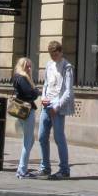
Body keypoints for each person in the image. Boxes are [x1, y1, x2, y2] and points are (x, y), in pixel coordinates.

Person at [38, 40, 74, 180]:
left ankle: (64, 169)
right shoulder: (49, 65)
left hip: (58, 106)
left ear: (61, 52)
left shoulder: (67, 67)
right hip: (47, 104)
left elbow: (68, 91)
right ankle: (45, 167)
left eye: (55, 55)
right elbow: (46, 84)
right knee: (42, 136)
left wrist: (57, 106)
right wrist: (43, 97)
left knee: (59, 138)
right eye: (51, 55)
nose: (53, 57)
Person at [12, 56, 40, 179]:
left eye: (30, 65)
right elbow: (30, 94)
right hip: (26, 111)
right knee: (28, 140)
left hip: (22, 111)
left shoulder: (18, 77)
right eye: (26, 65)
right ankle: (22, 170)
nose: (29, 68)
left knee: (29, 140)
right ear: (21, 66)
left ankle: (22, 169)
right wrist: (36, 91)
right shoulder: (22, 78)